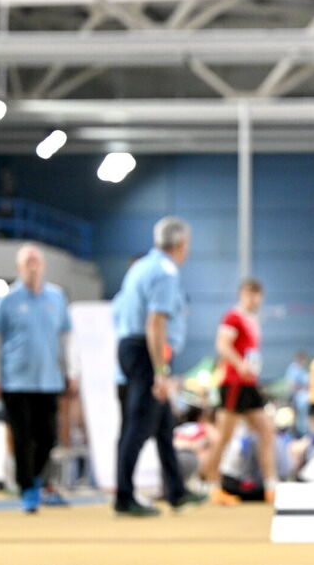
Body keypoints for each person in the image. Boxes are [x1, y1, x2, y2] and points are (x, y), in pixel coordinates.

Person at [112, 216, 205, 516]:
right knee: (139, 425)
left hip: (133, 348)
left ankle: (176, 491)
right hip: (147, 352)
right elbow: (155, 324)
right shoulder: (165, 272)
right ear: (181, 244)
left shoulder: (141, 266)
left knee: (163, 425)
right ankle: (124, 497)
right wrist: (161, 372)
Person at [0, 244, 77, 513]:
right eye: (27, 261)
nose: (33, 265)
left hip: (48, 381)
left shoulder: (56, 298)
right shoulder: (7, 300)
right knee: (22, 437)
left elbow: (66, 338)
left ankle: (34, 478)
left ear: (43, 265)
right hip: (15, 382)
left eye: (36, 260)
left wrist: (72, 371)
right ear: (19, 268)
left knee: (47, 437)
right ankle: (27, 490)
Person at [205, 278, 279, 506]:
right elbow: (222, 344)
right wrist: (239, 365)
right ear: (241, 295)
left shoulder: (253, 319)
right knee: (224, 437)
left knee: (267, 431)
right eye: (249, 294)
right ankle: (212, 484)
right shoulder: (233, 317)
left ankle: (271, 487)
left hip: (249, 384)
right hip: (234, 384)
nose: (253, 299)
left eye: (256, 295)